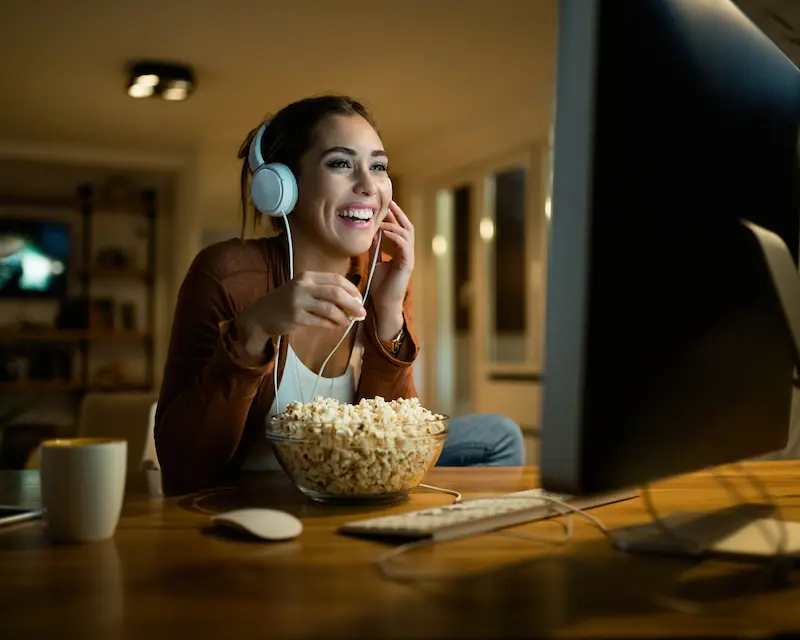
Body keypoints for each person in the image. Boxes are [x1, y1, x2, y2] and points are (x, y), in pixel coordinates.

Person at [154, 95, 524, 495]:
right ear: (283, 186)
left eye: (378, 167)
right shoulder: (227, 274)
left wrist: (388, 318)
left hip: (357, 483)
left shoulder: (382, 276)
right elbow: (182, 468)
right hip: (259, 495)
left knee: (499, 435)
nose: (368, 186)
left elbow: (392, 437)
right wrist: (253, 328)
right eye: (340, 164)